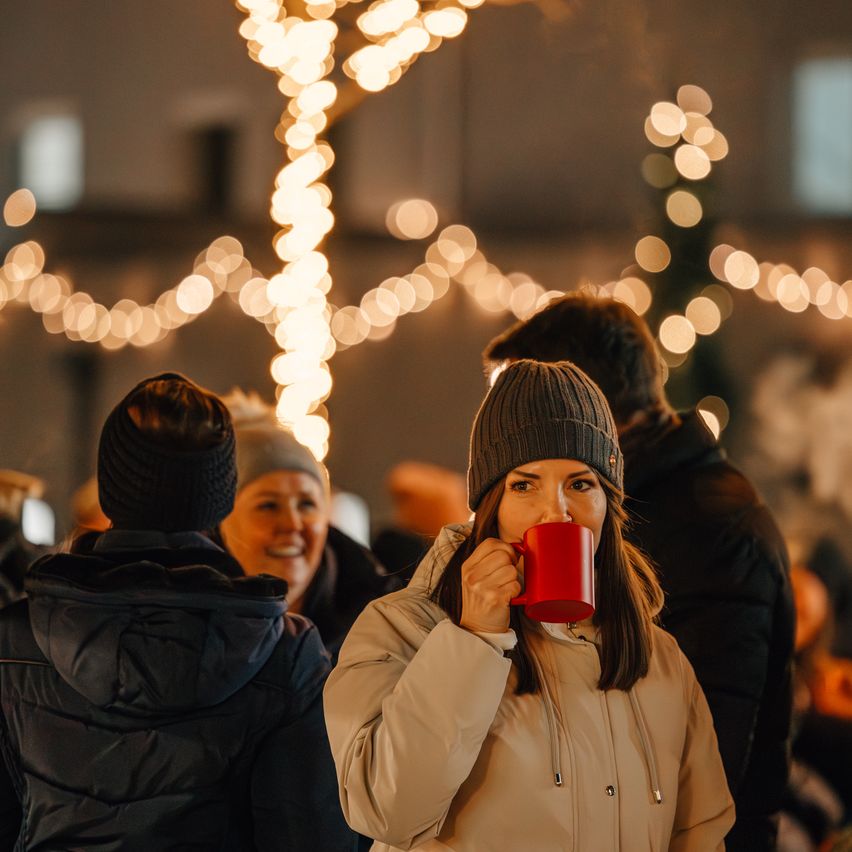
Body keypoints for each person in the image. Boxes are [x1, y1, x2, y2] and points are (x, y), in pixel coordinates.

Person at [324, 359, 734, 851]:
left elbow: (699, 833)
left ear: (608, 503)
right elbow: (385, 809)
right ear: (490, 506)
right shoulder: (401, 627)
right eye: (524, 484)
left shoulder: (658, 658)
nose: (556, 512)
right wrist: (474, 638)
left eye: (581, 484)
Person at [483, 293, 795, 852]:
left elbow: (698, 759)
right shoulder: (662, 506)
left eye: (528, 412)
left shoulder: (709, 530)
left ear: (587, 411)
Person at [0, 373, 354, 851]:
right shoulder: (284, 650)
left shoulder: (18, 637)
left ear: (111, 487)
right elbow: (306, 833)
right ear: (223, 496)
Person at [217, 390, 393, 660]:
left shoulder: (381, 625)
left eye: (307, 504)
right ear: (221, 521)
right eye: (268, 505)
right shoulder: (182, 628)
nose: (293, 523)